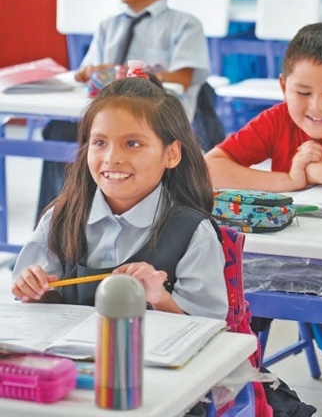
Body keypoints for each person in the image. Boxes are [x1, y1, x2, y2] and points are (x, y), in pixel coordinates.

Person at [205, 22, 322, 415]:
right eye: (303, 92)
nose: (317, 107)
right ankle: (250, 390)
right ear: (283, 86)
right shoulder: (278, 120)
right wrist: (289, 181)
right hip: (292, 258)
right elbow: (211, 167)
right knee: (233, 279)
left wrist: (318, 171)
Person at [12, 72, 228, 321]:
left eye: (132, 144)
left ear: (171, 154)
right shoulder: (60, 219)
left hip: (149, 347)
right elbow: (35, 309)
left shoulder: (193, 233)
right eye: (100, 143)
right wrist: (33, 291)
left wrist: (159, 297)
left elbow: (206, 326)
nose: (112, 158)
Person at [37, 0, 224, 222]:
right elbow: (85, 72)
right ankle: (61, 220)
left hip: (154, 121)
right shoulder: (108, 25)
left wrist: (132, 72)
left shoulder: (184, 24)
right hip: (109, 118)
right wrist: (90, 72)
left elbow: (183, 77)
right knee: (59, 131)